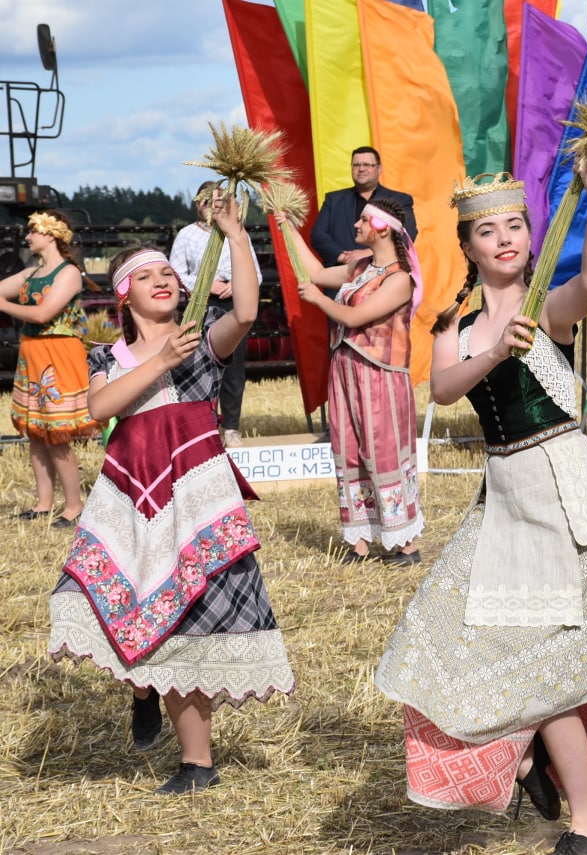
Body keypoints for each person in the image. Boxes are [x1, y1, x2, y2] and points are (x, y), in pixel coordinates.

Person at [374, 162, 587, 855]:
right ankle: (526, 759)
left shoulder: (549, 309)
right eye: (488, 230)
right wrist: (497, 348)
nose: (505, 238)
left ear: (532, 235)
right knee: (436, 631)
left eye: (516, 226)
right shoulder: (457, 325)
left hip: (562, 488)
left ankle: (586, 826)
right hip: (503, 495)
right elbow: (443, 388)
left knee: (547, 661)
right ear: (467, 246)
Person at [46, 191, 294, 794]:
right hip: (129, 499)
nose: (161, 280)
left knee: (190, 623)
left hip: (195, 498)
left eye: (167, 272)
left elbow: (245, 310)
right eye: (145, 275)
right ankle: (142, 690)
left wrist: (236, 232)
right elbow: (98, 408)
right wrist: (159, 362)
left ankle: (196, 763)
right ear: (122, 295)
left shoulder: (202, 339)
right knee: (116, 604)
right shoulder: (108, 355)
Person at [278, 197, 423, 563]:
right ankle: (359, 542)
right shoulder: (360, 266)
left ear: (383, 229)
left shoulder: (400, 279)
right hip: (345, 366)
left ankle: (405, 543)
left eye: (364, 220)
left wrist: (317, 300)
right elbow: (313, 271)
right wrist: (286, 226)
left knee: (383, 449)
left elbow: (356, 317)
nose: (356, 225)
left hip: (380, 373)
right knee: (349, 448)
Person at [0, 211, 99, 526]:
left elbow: (43, 314)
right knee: (36, 431)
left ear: (51, 234)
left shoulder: (69, 273)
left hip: (57, 355)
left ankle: (74, 506)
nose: (27, 237)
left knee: (56, 434)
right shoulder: (31, 273)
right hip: (32, 353)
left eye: (32, 231)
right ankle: (44, 503)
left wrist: (3, 305)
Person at [169, 180, 263, 447]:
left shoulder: (238, 233)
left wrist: (236, 285)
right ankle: (204, 426)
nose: (209, 206)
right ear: (197, 204)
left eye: (216, 201)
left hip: (233, 304)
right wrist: (205, 283)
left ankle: (231, 427)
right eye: (205, 201)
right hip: (200, 302)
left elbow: (255, 273)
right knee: (198, 364)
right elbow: (175, 274)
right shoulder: (187, 235)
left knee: (233, 367)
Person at [310, 146, 417, 267]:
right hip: (342, 272)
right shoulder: (333, 200)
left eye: (367, 165)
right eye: (356, 165)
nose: (361, 169)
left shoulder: (400, 200)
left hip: (384, 272)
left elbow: (407, 234)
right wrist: (344, 258)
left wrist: (369, 254)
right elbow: (318, 235)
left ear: (379, 169)